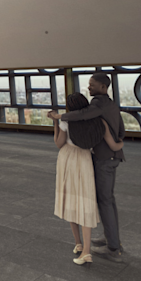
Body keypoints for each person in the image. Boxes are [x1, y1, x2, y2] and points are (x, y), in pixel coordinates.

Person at [49, 72, 126, 262]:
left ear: (103, 87)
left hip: (103, 159)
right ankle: (112, 238)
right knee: (108, 200)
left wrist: (59, 117)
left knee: (104, 201)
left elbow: (83, 115)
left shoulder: (97, 105)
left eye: (92, 85)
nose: (89, 87)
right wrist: (119, 145)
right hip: (111, 155)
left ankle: (113, 247)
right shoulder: (112, 105)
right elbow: (121, 130)